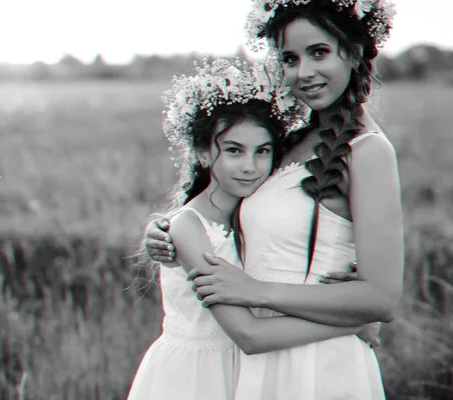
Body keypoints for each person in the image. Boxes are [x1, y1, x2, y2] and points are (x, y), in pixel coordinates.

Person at [144, 1, 403, 399]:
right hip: (263, 354)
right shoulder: (290, 141)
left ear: (353, 53)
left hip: (319, 364)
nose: (303, 72)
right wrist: (166, 228)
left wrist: (254, 291)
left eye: (318, 52)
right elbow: (227, 212)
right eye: (289, 58)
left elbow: (381, 298)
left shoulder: (368, 151)